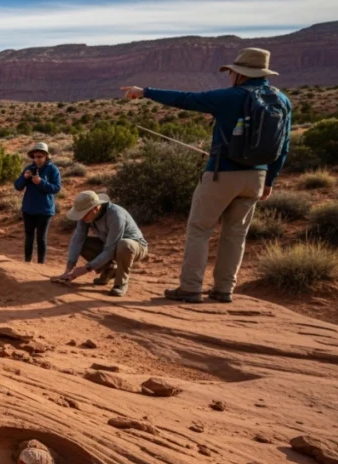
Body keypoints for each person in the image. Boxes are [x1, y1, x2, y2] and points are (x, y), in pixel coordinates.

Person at [121, 47, 291, 303]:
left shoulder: (230, 97)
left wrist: (145, 92)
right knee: (236, 234)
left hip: (222, 174)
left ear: (240, 74)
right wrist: (269, 180)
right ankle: (224, 289)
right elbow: (284, 145)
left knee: (200, 228)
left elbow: (186, 99)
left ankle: (190, 288)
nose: (230, 77)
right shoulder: (281, 100)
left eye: (232, 73)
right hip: (256, 177)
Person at [56, 191, 148, 297]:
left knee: (124, 244)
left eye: (83, 213)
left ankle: (121, 283)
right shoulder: (85, 216)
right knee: (83, 243)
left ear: (95, 208)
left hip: (135, 247)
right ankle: (109, 270)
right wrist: (68, 269)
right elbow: (78, 238)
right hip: (110, 245)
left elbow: (110, 249)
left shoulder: (115, 215)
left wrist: (86, 268)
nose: (81, 217)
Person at [14, 142, 61, 264]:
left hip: (45, 210)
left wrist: (41, 182)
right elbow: (18, 186)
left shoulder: (52, 169)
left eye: (40, 156)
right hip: (29, 209)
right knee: (29, 237)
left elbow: (56, 188)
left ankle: (41, 264)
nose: (37, 159)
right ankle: (27, 262)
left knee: (41, 238)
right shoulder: (29, 168)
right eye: (35, 156)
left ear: (46, 156)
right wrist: (25, 177)